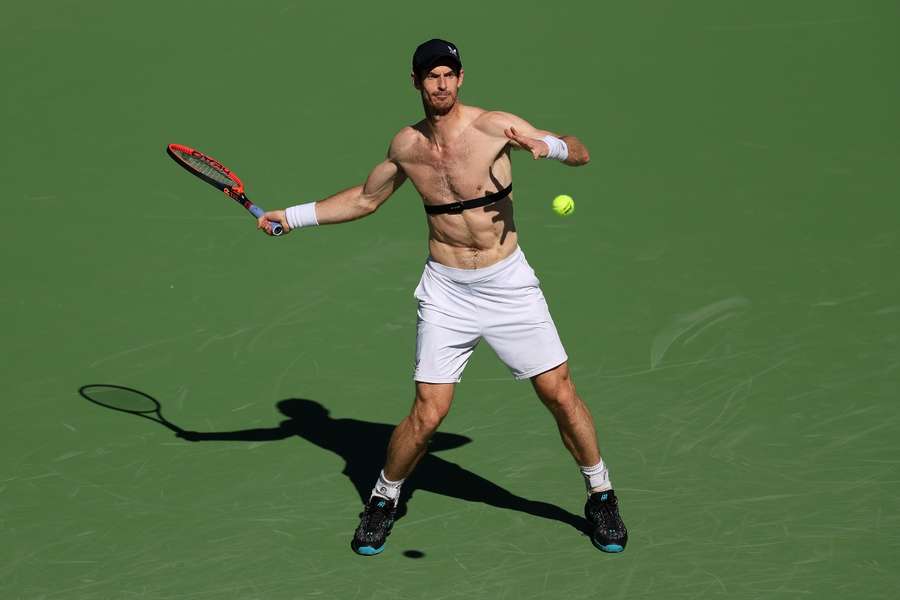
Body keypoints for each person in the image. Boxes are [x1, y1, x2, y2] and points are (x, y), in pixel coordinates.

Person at [258, 39, 628, 555]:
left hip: (507, 283)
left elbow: (580, 150)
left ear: (460, 78)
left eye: (449, 75)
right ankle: (383, 500)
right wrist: (291, 216)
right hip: (447, 290)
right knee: (429, 413)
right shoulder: (407, 146)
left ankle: (601, 493)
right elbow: (365, 199)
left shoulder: (495, 126)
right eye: (431, 76)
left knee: (559, 393)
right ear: (415, 83)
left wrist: (552, 148)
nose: (441, 84)